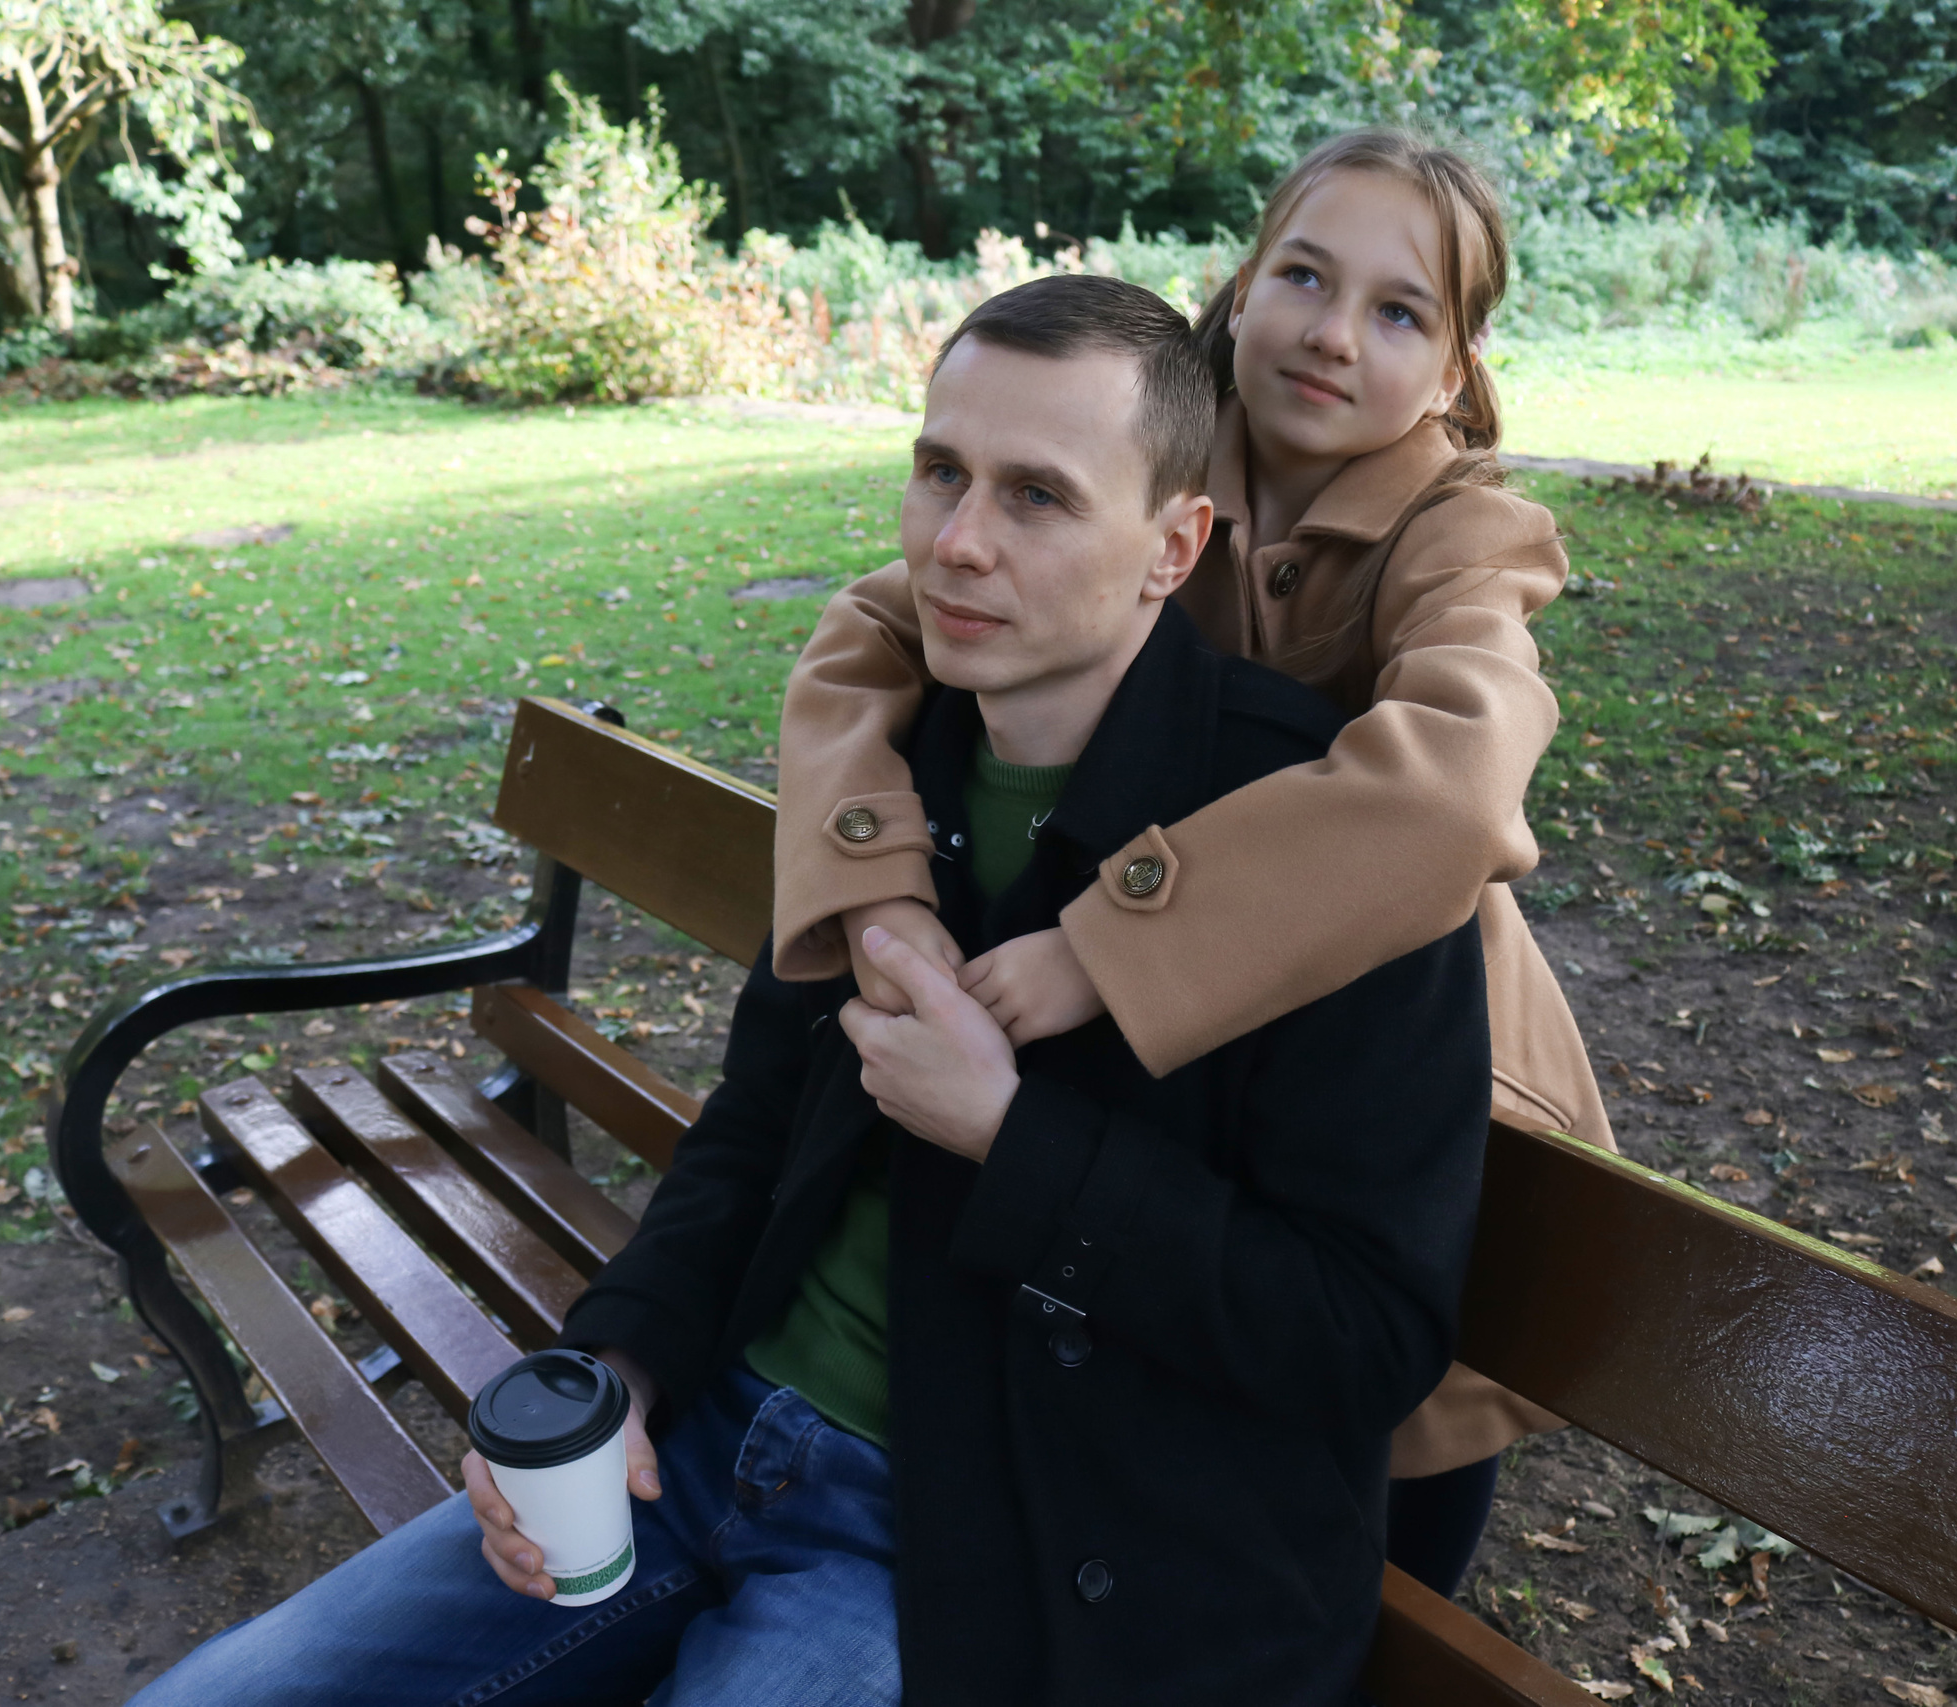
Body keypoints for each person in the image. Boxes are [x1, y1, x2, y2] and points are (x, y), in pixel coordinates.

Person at [130, 274, 1491, 1707]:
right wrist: (624, 1363)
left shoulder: (1317, 841)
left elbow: (1364, 1339)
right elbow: (762, 1112)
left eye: (1036, 497)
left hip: (976, 1543)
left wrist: (1015, 1141)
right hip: (707, 1436)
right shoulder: (891, 763)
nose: (956, 545)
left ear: (1172, 546)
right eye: (940, 473)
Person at [770, 128, 1617, 1595]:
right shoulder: (1133, 463)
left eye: (1401, 310)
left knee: (1386, 1523)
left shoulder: (1462, 532)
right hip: (1194, 1094)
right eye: (1304, 273)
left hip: (1402, 1068)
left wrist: (1113, 941)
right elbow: (865, 637)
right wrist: (879, 889)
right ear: (1243, 283)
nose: (1334, 333)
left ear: (1459, 365)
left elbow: (1461, 784)